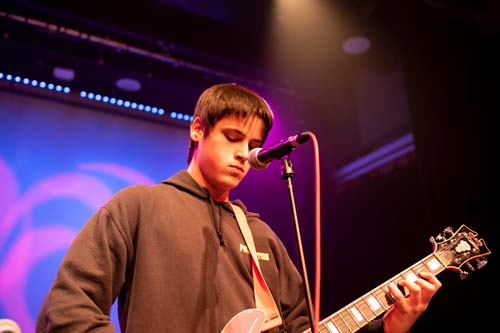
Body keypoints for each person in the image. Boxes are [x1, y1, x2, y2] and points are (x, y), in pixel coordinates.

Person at [36, 82, 442, 333]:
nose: (245, 155)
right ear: (198, 128)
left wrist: (391, 328)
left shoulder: (261, 235)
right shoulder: (138, 207)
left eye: (252, 146)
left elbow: (300, 327)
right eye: (232, 137)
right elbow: (68, 308)